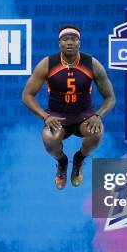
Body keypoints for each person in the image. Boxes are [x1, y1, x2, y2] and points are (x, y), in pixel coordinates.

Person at [22, 25, 116, 189]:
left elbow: (110, 98)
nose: (70, 43)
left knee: (97, 132)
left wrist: (98, 115)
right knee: (49, 140)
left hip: (84, 116)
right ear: (59, 43)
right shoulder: (48, 63)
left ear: (79, 43)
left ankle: (79, 159)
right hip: (58, 117)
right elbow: (27, 95)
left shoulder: (92, 64)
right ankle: (62, 162)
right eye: (65, 39)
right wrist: (46, 116)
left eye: (74, 39)